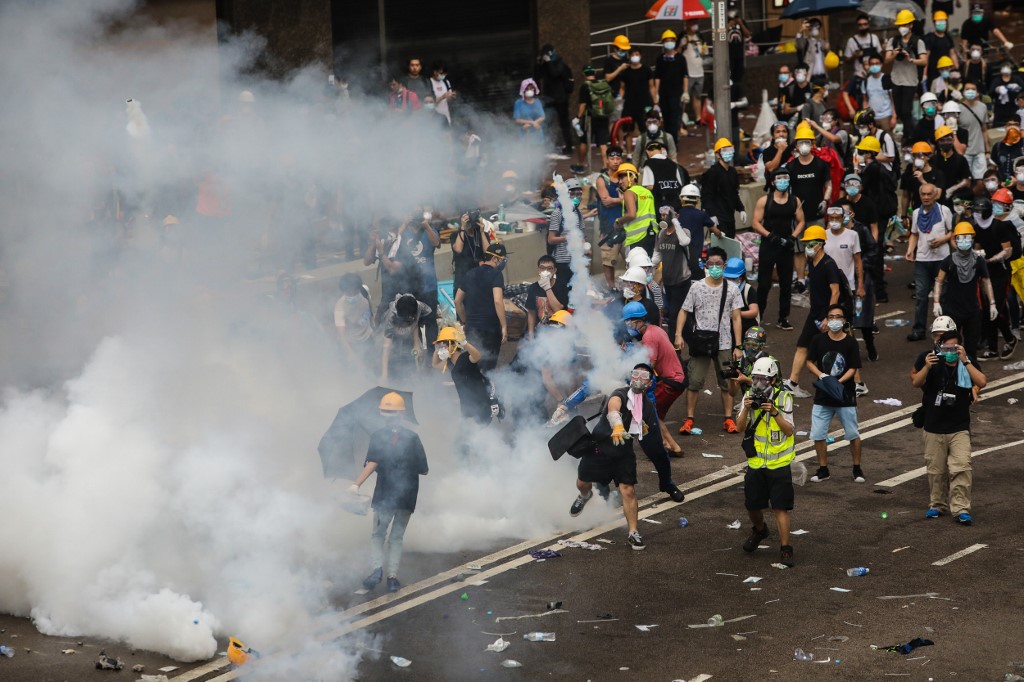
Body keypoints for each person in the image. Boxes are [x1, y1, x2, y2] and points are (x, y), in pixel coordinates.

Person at [568, 363, 661, 550]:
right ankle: (585, 496)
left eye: (643, 376)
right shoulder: (620, 393)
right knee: (582, 483)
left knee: (628, 491)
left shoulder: (648, 406)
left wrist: (644, 427)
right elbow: (613, 408)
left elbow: (649, 430)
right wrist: (617, 424)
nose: (638, 379)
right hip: (599, 449)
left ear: (650, 383)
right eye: (635, 374)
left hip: (623, 454)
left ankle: (633, 532)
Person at [350, 392, 429, 593]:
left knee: (378, 534)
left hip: (385, 495)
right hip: (408, 495)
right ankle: (393, 578)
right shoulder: (413, 437)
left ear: (383, 415)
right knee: (396, 537)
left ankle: (377, 569)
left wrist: (355, 485)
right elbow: (424, 469)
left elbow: (372, 463)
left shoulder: (378, 436)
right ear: (402, 414)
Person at [911, 329, 986, 525]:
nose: (950, 351)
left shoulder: (966, 361)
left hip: (959, 426)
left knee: (961, 466)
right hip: (933, 426)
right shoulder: (932, 361)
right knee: (936, 471)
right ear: (940, 347)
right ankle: (937, 504)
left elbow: (982, 381)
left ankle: (961, 508)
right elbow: (915, 382)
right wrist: (926, 367)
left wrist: (966, 361)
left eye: (954, 347)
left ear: (960, 347)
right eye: (946, 347)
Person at [674, 247, 744, 434]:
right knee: (694, 381)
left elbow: (736, 318)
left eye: (718, 264)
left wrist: (738, 346)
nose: (714, 267)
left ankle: (728, 419)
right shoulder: (696, 287)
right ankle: (689, 419)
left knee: (726, 381)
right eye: (711, 264)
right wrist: (678, 335)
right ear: (706, 265)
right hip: (701, 342)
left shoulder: (732, 289)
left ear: (725, 265)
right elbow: (684, 311)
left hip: (724, 342)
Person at [736, 356, 796, 568]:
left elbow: (789, 430)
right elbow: (740, 427)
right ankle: (760, 530)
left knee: (780, 507)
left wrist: (774, 412)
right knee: (752, 506)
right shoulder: (749, 397)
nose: (758, 383)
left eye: (763, 379)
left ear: (772, 380)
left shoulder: (784, 398)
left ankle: (786, 548)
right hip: (756, 463)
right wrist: (745, 408)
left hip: (779, 464)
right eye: (755, 379)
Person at [805, 305, 866, 484]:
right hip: (822, 396)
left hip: (845, 397)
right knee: (818, 434)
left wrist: (837, 383)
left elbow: (853, 368)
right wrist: (822, 376)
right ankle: (823, 468)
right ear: (827, 319)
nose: (834, 320)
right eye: (831, 316)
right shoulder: (818, 340)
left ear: (844, 320)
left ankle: (857, 468)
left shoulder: (850, 342)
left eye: (838, 317)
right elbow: (809, 362)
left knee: (852, 433)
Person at [783, 226, 843, 399]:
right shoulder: (812, 262)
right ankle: (792, 383)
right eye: (807, 243)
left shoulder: (829, 265)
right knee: (802, 346)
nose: (808, 246)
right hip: (814, 314)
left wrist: (830, 317)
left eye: (811, 243)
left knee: (834, 350)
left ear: (820, 244)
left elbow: (835, 292)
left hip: (826, 315)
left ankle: (852, 384)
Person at [623, 302, 688, 454]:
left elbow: (649, 366)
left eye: (629, 322)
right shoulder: (655, 330)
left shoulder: (649, 336)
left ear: (638, 321)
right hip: (676, 378)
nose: (628, 325)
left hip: (671, 381)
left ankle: (671, 446)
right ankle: (668, 444)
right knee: (656, 413)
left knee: (651, 412)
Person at [822, 206, 869, 396]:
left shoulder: (852, 235)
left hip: (845, 291)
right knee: (830, 336)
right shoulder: (822, 236)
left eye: (837, 217)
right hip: (827, 290)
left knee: (846, 334)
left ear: (844, 218)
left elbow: (858, 262)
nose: (834, 220)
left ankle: (858, 382)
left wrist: (860, 286)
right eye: (831, 217)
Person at [933, 222, 996, 361]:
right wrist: (936, 302)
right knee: (949, 347)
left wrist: (992, 303)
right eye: (961, 237)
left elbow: (986, 281)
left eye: (967, 237)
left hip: (972, 311)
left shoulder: (979, 261)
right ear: (955, 240)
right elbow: (939, 281)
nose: (964, 241)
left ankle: (970, 374)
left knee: (971, 348)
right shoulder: (948, 261)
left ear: (972, 239)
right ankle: (949, 375)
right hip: (952, 310)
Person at [752, 168, 805, 330]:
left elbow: (801, 221)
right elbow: (755, 223)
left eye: (786, 178)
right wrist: (769, 236)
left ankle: (783, 317)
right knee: (764, 283)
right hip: (769, 245)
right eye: (779, 178)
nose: (783, 181)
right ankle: (758, 315)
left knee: (786, 283)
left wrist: (793, 237)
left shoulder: (794, 200)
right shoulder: (764, 201)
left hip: (786, 247)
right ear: (773, 182)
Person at [906, 183, 954, 341]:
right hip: (922, 259)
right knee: (921, 295)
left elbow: (952, 232)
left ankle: (945, 330)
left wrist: (942, 240)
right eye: (923, 194)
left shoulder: (944, 211)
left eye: (929, 194)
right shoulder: (917, 213)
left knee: (944, 295)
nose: (926, 197)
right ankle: (919, 329)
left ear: (935, 195)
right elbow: (914, 234)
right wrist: (910, 250)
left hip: (942, 259)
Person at [974, 189, 1017, 360]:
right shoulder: (978, 228)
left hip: (1000, 273)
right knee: (986, 310)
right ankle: (992, 349)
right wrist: (977, 256)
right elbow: (976, 248)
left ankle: (1009, 338)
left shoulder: (1000, 226)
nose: (976, 214)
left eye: (979, 211)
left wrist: (992, 259)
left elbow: (1007, 250)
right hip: (985, 274)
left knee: (996, 308)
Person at [454, 243, 507, 372]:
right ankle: (487, 392)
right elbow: (498, 301)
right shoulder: (496, 275)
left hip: (472, 329)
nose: (504, 263)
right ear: (495, 259)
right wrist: (504, 326)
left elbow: (457, 301)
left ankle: (474, 392)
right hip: (490, 329)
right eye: (503, 259)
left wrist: (466, 321)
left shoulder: (470, 274)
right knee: (488, 369)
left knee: (474, 366)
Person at [432, 326, 494, 425]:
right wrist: (436, 350)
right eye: (441, 344)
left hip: (481, 406)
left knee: (478, 437)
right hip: (466, 408)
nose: (442, 348)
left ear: (454, 345)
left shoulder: (465, 357)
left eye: (445, 345)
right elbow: (435, 365)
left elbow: (477, 356)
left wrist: (465, 343)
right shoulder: (450, 363)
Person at [655, 186, 697, 332]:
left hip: (681, 280)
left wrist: (675, 221)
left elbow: (685, 242)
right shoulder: (661, 234)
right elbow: (657, 256)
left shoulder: (683, 231)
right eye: (662, 215)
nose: (664, 218)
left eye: (667, 215)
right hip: (668, 281)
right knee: (678, 313)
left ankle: (674, 348)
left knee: (674, 315)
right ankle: (690, 338)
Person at [402, 209, 442, 347]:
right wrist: (404, 223)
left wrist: (426, 226)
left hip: (429, 285)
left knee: (431, 322)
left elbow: (436, 242)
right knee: (412, 323)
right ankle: (417, 352)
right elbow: (394, 245)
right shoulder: (404, 234)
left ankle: (433, 354)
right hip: (410, 286)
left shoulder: (429, 231)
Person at [884, 9, 927, 129]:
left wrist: (911, 59)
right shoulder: (893, 41)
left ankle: (910, 136)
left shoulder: (918, 41)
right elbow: (887, 60)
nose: (902, 27)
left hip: (910, 80)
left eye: (905, 24)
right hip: (896, 79)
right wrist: (894, 54)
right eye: (900, 25)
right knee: (899, 111)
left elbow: (924, 60)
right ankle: (908, 133)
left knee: (906, 110)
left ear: (911, 25)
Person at [546, 178, 586, 301]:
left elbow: (582, 237)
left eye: (578, 193)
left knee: (577, 295)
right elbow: (551, 239)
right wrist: (567, 238)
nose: (576, 196)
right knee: (563, 296)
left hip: (576, 262)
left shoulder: (578, 213)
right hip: (562, 262)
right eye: (572, 193)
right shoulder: (557, 214)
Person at [380, 294, 432, 384]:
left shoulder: (418, 307)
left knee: (414, 356)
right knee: (394, 357)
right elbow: (386, 348)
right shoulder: (391, 317)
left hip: (410, 335)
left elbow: (416, 323)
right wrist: (384, 375)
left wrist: (416, 344)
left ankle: (414, 379)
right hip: (394, 337)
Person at [700, 137, 746, 238]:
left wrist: (741, 209)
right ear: (717, 154)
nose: (728, 153)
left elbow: (734, 193)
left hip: (730, 216)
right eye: (725, 151)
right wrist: (711, 214)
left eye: (730, 150)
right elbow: (706, 196)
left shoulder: (732, 172)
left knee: (730, 241)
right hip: (718, 217)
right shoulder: (712, 173)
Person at [534, 44, 575, 153]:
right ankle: (548, 146)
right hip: (549, 98)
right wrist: (539, 63)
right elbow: (537, 76)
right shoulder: (545, 65)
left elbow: (554, 74)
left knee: (564, 123)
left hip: (561, 99)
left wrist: (548, 62)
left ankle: (569, 146)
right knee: (548, 122)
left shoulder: (559, 62)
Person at [613, 162, 658, 256]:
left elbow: (632, 214)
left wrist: (618, 221)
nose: (620, 182)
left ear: (632, 176)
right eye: (619, 178)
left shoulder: (629, 192)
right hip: (652, 236)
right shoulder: (647, 192)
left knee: (636, 269)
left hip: (636, 239)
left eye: (622, 177)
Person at [596, 147, 625, 288]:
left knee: (631, 259)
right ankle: (612, 288)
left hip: (627, 225)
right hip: (609, 227)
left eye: (618, 158)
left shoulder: (626, 177)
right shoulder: (602, 180)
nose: (615, 162)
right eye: (612, 158)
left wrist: (615, 200)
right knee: (609, 261)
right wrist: (624, 199)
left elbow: (635, 197)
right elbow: (606, 202)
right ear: (607, 160)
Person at [620, 48, 656, 155]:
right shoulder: (625, 72)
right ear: (629, 56)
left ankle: (647, 152)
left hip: (645, 104)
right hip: (629, 105)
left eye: (637, 54)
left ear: (640, 56)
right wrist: (619, 101)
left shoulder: (646, 70)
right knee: (628, 131)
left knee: (645, 129)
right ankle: (630, 154)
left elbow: (652, 86)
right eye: (633, 54)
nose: (635, 56)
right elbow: (622, 88)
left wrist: (655, 101)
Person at [576, 65, 613, 170]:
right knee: (603, 143)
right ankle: (605, 166)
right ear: (594, 73)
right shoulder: (603, 84)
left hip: (590, 117)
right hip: (603, 117)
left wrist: (578, 117)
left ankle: (580, 164)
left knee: (584, 141)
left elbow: (582, 105)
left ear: (584, 74)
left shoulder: (585, 86)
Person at [653, 29, 685, 144]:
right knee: (665, 119)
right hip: (664, 93)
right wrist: (656, 94)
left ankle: (674, 142)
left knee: (674, 118)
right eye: (667, 40)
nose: (669, 42)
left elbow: (684, 76)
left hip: (676, 93)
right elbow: (657, 77)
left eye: (671, 40)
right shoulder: (660, 59)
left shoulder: (680, 58)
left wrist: (685, 91)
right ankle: (667, 141)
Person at [335, 273, 375, 364]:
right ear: (343, 291)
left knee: (373, 365)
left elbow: (370, 307)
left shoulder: (364, 291)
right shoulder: (340, 307)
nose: (352, 295)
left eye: (355, 291)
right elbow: (341, 335)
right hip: (352, 342)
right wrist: (350, 353)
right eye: (349, 292)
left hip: (367, 337)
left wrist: (372, 324)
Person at [641, 137, 689, 215]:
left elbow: (649, 186)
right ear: (660, 150)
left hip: (660, 205)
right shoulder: (673, 164)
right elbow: (679, 184)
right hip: (675, 203)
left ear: (647, 152)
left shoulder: (649, 163)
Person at [451, 210, 492, 293]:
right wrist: (463, 228)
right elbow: (458, 249)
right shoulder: (456, 235)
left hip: (479, 276)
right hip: (462, 276)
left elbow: (488, 253)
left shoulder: (482, 234)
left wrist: (482, 232)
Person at [931, 125, 973, 207]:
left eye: (948, 139)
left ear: (953, 140)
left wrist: (951, 190)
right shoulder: (933, 160)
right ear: (937, 142)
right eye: (942, 140)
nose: (946, 142)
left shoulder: (961, 160)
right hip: (938, 196)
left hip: (956, 196)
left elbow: (967, 181)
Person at [525, 255, 566, 338]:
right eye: (542, 268)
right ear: (538, 270)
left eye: (549, 268)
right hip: (541, 330)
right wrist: (531, 334)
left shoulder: (562, 286)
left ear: (554, 270)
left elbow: (558, 309)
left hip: (559, 330)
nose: (545, 271)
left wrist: (547, 288)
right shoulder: (533, 288)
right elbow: (531, 313)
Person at [959, 82, 990, 187]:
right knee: (966, 182)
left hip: (979, 150)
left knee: (981, 182)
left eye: (973, 89)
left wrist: (987, 150)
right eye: (967, 89)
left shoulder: (983, 107)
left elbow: (984, 129)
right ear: (963, 92)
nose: (970, 91)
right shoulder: (958, 109)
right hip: (965, 152)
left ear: (977, 92)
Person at [901, 142, 946, 215]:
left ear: (928, 157)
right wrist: (904, 215)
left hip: (935, 213)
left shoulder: (937, 173)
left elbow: (937, 196)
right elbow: (906, 196)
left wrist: (922, 181)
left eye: (920, 156)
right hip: (917, 212)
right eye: (915, 156)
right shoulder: (909, 173)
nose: (917, 159)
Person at [681, 22, 707, 126]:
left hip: (699, 71)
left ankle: (698, 118)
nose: (695, 24)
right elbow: (678, 51)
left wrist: (704, 51)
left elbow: (703, 53)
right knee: (684, 97)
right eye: (693, 22)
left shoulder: (700, 37)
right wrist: (684, 43)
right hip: (688, 73)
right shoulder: (683, 37)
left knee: (697, 96)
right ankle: (681, 118)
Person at [923, 12, 958, 88]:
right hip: (933, 72)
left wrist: (956, 69)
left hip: (947, 70)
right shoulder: (929, 38)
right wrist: (924, 74)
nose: (941, 23)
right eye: (939, 21)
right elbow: (926, 57)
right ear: (934, 23)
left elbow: (952, 53)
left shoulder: (948, 37)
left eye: (943, 21)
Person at [796, 17, 830, 86]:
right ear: (809, 29)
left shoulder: (823, 42)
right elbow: (799, 45)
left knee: (824, 95)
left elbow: (829, 58)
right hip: (810, 76)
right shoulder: (806, 41)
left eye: (817, 27)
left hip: (823, 76)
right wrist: (801, 31)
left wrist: (828, 49)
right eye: (813, 26)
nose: (815, 29)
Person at [513, 78, 546, 146]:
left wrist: (531, 124)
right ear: (523, 90)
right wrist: (532, 123)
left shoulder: (537, 102)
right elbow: (517, 119)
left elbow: (542, 117)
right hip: (523, 134)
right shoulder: (518, 103)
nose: (529, 90)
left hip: (537, 134)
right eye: (527, 89)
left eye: (531, 88)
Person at [429, 62, 455, 126]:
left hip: (446, 116)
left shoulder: (446, 82)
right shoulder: (429, 83)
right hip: (433, 118)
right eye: (441, 73)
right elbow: (429, 105)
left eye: (444, 74)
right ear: (435, 72)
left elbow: (449, 100)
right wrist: (442, 97)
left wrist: (451, 97)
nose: (443, 75)